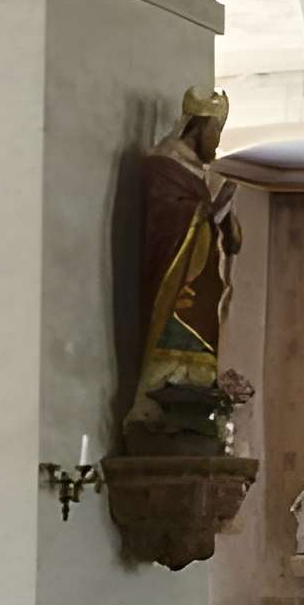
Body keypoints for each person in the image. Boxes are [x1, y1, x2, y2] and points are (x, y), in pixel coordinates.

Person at [126, 87, 241, 451]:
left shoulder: (195, 173)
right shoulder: (163, 166)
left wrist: (226, 223)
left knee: (202, 336)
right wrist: (204, 213)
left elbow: (205, 218)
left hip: (201, 274)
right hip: (175, 276)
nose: (217, 143)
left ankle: (197, 402)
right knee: (173, 334)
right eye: (215, 133)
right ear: (199, 127)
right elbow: (163, 222)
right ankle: (157, 408)